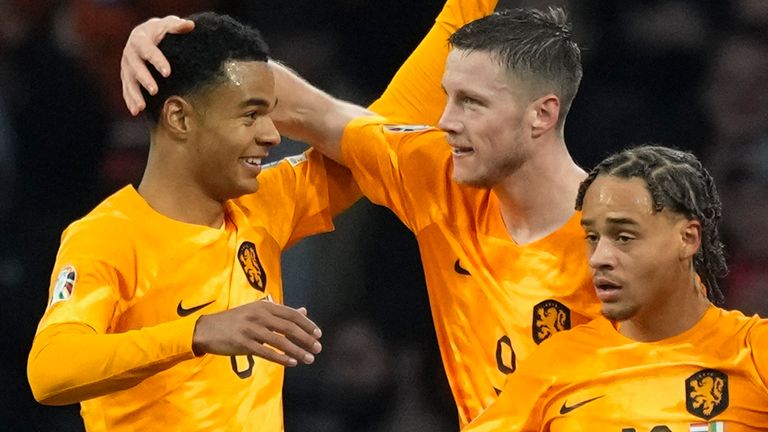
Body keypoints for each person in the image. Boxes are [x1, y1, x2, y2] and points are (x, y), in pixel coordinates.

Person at [120, 5, 601, 427]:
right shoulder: (436, 177)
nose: (447, 120)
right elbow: (313, 112)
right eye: (448, 97)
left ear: (542, 114)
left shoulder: (627, 242)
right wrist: (175, 46)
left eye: (471, 103)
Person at [26, 12, 363, 431]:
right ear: (180, 118)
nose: (273, 135)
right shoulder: (108, 235)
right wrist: (197, 332)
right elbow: (50, 371)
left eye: (269, 112)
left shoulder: (263, 203)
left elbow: (382, 143)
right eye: (250, 114)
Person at [465, 145, 768, 431]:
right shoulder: (555, 365)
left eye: (624, 237)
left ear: (687, 239)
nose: (599, 259)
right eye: (593, 237)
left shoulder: (753, 351)